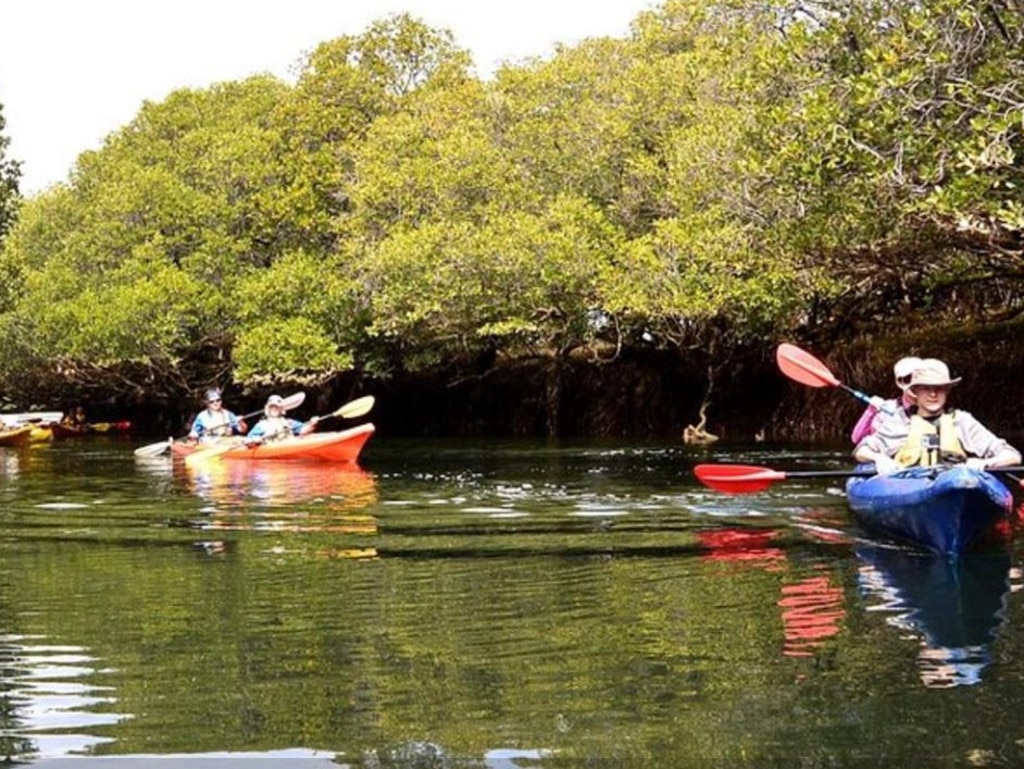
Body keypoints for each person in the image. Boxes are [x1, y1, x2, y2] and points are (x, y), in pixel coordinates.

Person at [854, 358, 1021, 474]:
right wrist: (880, 459)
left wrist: (985, 463)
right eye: (926, 388)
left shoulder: (962, 421)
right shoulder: (899, 421)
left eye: (939, 388)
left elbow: (1012, 455)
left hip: (954, 482)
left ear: (947, 390)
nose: (933, 394)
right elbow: (861, 450)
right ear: (916, 392)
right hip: (909, 483)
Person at [849, 356, 922, 444]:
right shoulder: (886, 409)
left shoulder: (936, 406)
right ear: (900, 382)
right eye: (909, 378)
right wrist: (870, 411)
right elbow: (857, 439)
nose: (915, 384)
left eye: (920, 378)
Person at [245, 394, 318, 444]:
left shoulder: (289, 422)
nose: (274, 409)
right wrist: (255, 440)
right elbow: (248, 439)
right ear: (268, 409)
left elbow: (304, 430)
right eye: (272, 407)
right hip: (272, 451)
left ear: (281, 410)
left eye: (276, 407)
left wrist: (313, 424)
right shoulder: (261, 425)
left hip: (290, 446)